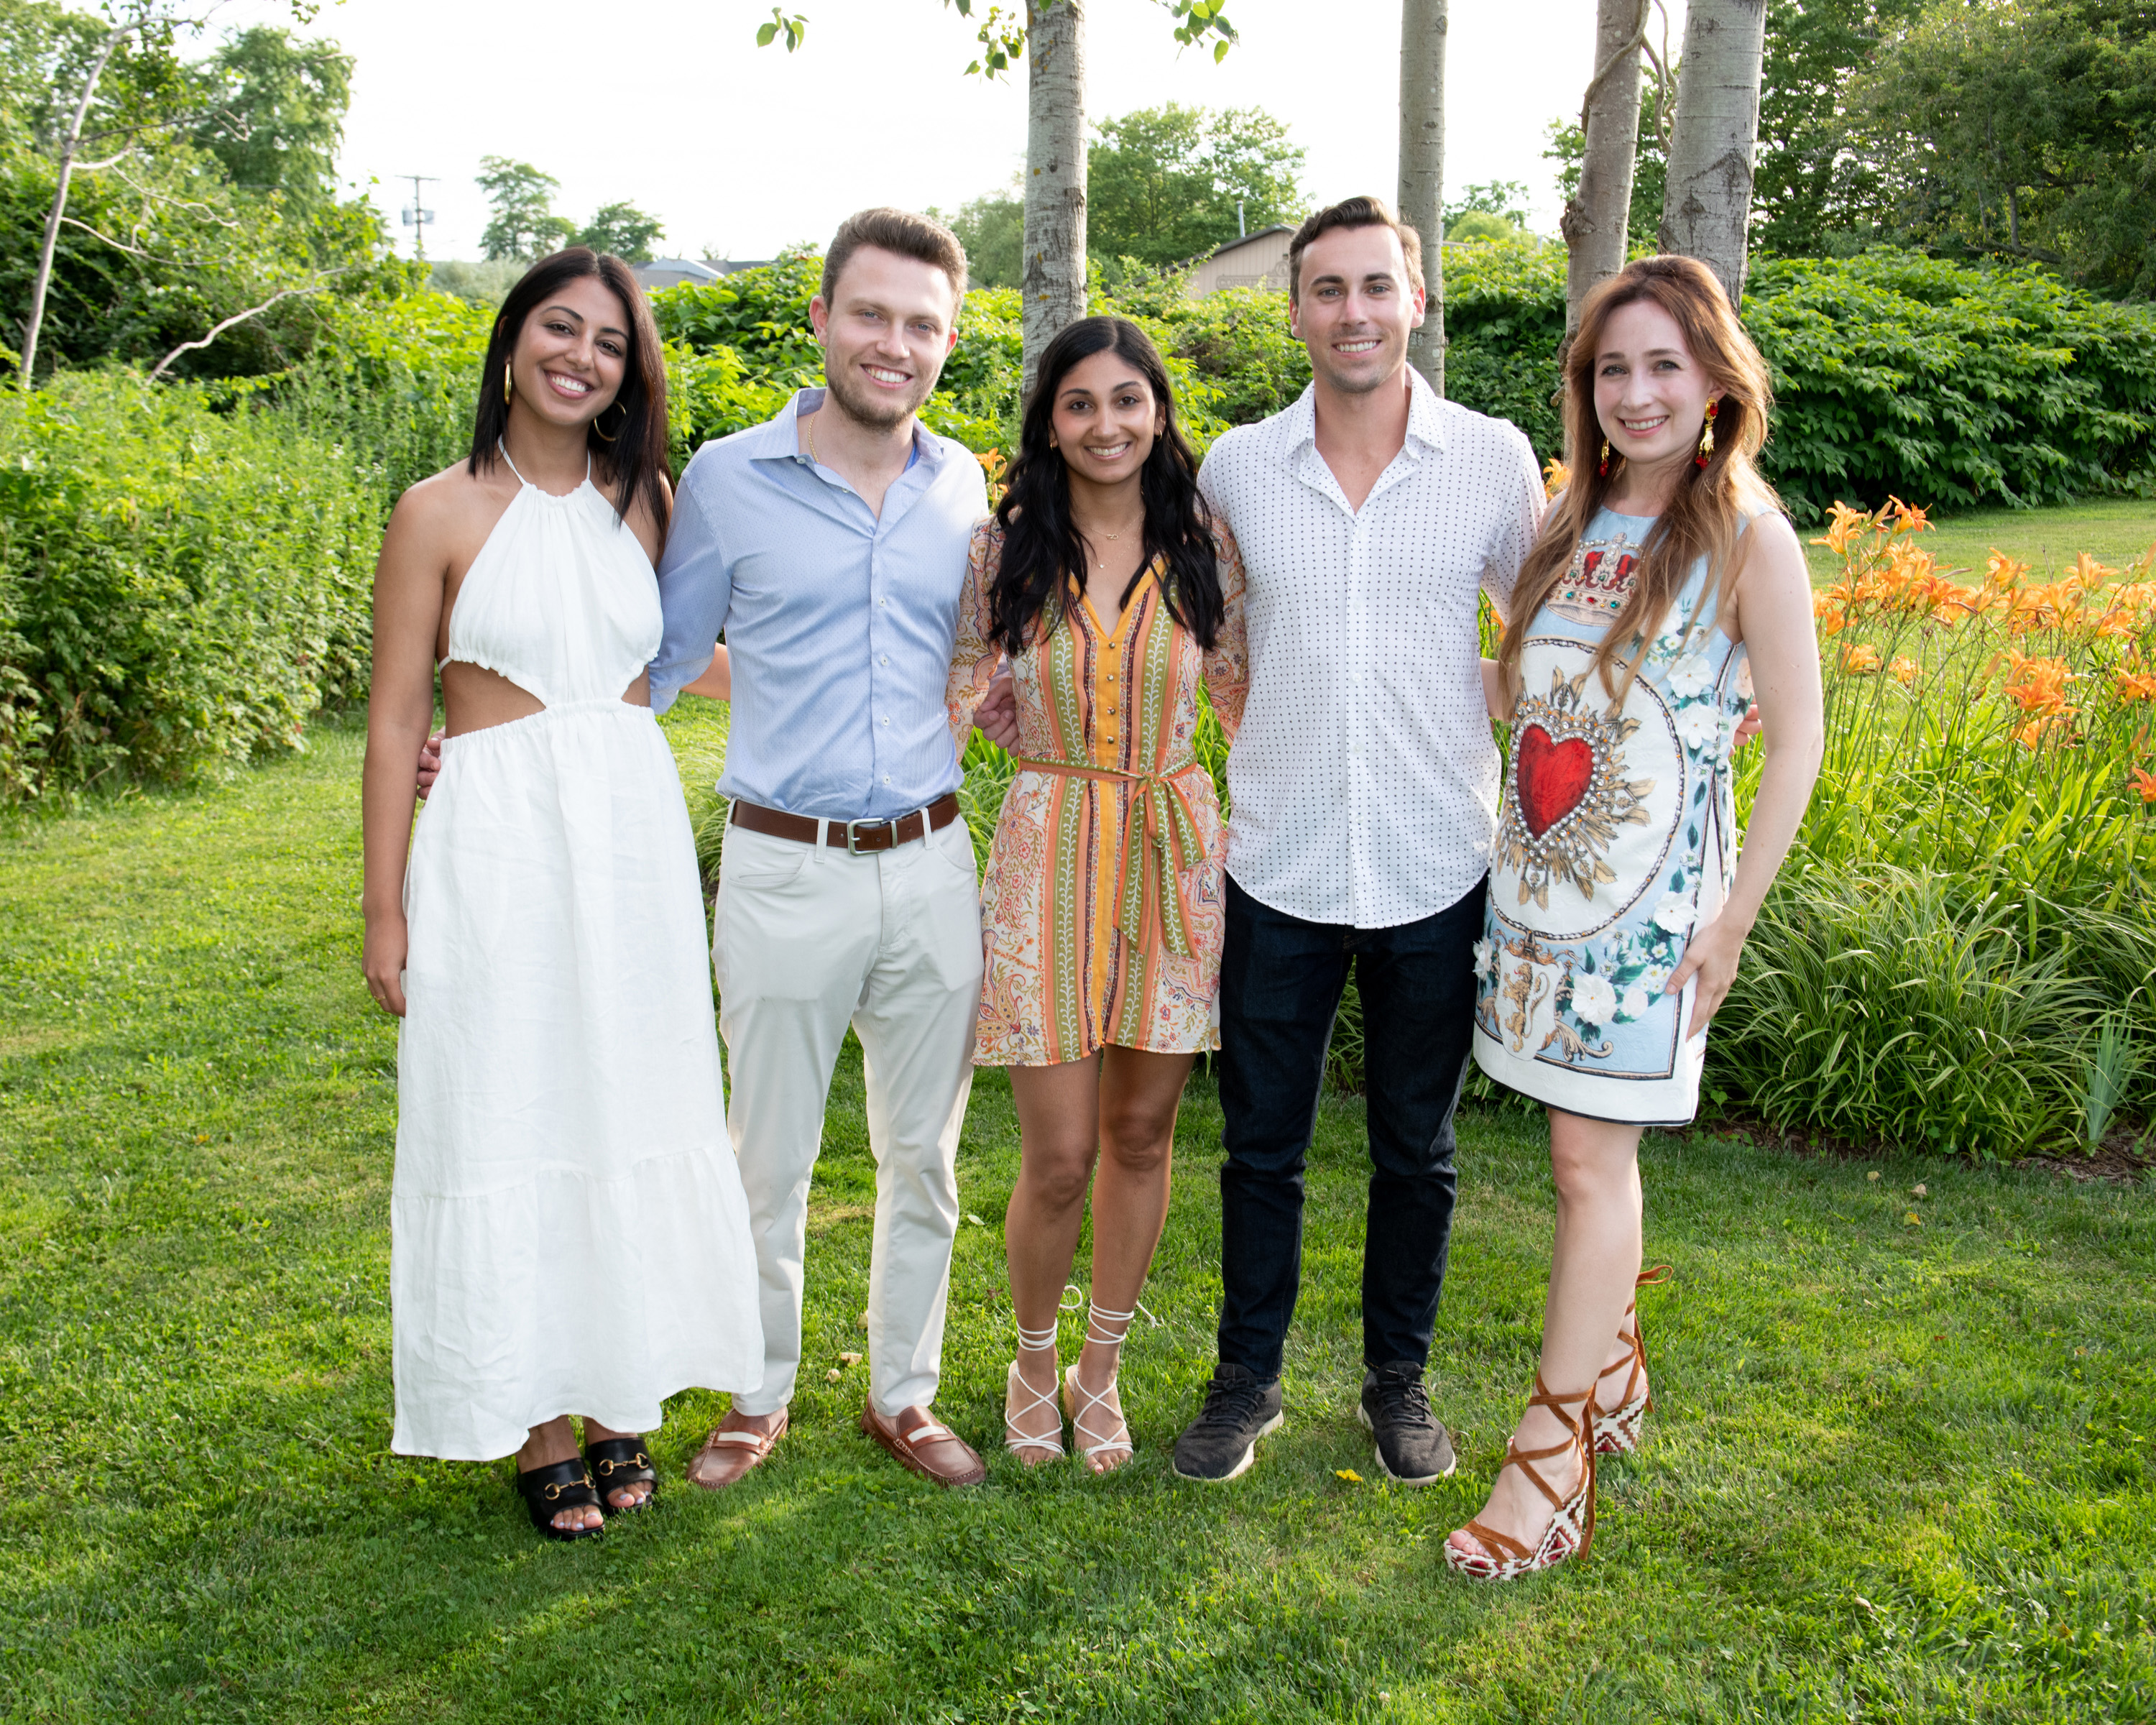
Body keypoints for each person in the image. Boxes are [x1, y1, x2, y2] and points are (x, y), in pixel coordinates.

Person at [361, 249, 762, 1542]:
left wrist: (851, 676)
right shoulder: (435, 511)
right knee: (506, 1105)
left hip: (629, 839)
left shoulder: (646, 502)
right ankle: (536, 1422)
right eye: (559, 327)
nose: (580, 356)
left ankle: (613, 1393)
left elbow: (678, 662)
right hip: (494, 841)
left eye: (608, 340)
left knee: (625, 1098)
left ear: (629, 371)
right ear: (512, 340)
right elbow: (394, 721)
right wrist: (383, 909)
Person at [1444, 255, 1823, 1579]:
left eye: (1666, 364)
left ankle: (1548, 1462)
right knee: (1586, 1159)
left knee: (1584, 1167)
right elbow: (1535, 696)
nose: (1638, 391)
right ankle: (1613, 1376)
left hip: (1655, 919)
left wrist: (1733, 924)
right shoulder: (1572, 519)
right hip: (1539, 902)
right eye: (1614, 368)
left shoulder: (1748, 537)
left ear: (1717, 380)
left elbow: (1800, 739)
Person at [1169, 196, 1547, 1486]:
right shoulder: (1237, 468)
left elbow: (1547, 635)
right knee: (1260, 1148)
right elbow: (1204, 636)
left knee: (1417, 1153)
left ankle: (1399, 1383)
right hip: (1279, 861)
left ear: (1415, 301)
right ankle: (1247, 1381)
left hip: (1438, 861)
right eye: (1327, 290)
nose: (1354, 313)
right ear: (1295, 314)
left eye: (1376, 287)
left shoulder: (1492, 459)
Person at [648, 209, 993, 1491]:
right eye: (872, 314)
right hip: (784, 865)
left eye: (921, 324)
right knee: (768, 1154)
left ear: (947, 342)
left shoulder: (965, 487)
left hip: (933, 861)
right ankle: (757, 1392)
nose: (894, 343)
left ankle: (904, 1394)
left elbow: (976, 658)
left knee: (926, 1156)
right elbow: (662, 660)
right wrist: (491, 730)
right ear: (822, 319)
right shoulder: (728, 480)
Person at [946, 317, 1249, 1473]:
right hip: (1049, 848)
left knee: (1140, 1132)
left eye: (1128, 400)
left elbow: (1244, 696)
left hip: (1173, 849)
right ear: (1051, 422)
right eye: (1080, 403)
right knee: (1063, 1151)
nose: (1106, 424)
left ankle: (1101, 1368)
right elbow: (958, 685)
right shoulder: (1006, 547)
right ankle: (1033, 1360)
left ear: (1159, 412)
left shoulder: (1203, 541)